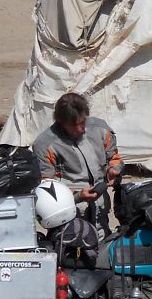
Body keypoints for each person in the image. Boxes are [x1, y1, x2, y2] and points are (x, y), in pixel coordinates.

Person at [32, 92, 123, 237]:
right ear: (60, 122)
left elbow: (114, 158)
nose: (81, 129)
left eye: (83, 122)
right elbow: (47, 190)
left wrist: (114, 170)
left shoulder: (100, 129)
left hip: (101, 214)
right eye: (74, 125)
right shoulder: (45, 144)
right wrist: (78, 197)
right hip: (69, 222)